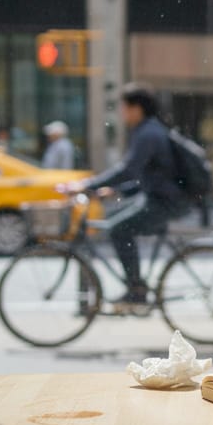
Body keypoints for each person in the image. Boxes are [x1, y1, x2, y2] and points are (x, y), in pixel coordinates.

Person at [66, 82, 184, 310]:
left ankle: (136, 291)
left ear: (136, 108)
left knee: (120, 230)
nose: (121, 113)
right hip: (159, 196)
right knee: (117, 220)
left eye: (124, 107)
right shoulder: (149, 129)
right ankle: (136, 286)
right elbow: (148, 174)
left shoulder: (148, 133)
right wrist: (116, 190)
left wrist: (87, 185)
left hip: (164, 201)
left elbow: (128, 169)